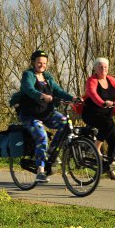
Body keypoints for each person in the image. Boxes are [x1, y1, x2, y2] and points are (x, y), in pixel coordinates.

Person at [16, 50, 78, 182]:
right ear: (33, 62)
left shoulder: (48, 77)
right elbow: (28, 89)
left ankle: (51, 152)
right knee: (42, 136)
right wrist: (41, 95)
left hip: (46, 113)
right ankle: (40, 171)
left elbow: (58, 91)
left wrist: (72, 97)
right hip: (30, 115)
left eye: (44, 63)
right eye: (39, 62)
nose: (42, 65)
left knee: (65, 123)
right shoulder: (28, 74)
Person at [81, 57, 115, 180]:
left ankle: (110, 168)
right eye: (100, 67)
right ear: (95, 68)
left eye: (105, 67)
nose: (103, 69)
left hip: (105, 114)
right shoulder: (92, 80)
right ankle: (94, 149)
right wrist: (102, 103)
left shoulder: (111, 80)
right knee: (106, 125)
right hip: (91, 113)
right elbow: (93, 94)